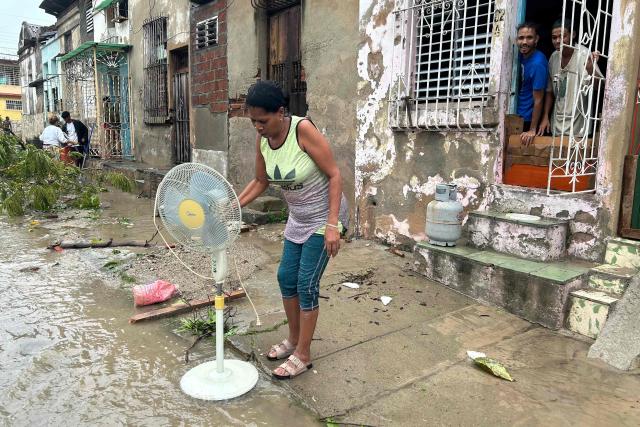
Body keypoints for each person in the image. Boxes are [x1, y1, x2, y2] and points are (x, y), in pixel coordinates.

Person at [238, 80, 349, 380]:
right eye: (253, 121)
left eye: (263, 120)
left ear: (281, 112)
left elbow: (335, 175)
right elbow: (260, 181)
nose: (258, 127)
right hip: (298, 218)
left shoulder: (302, 130)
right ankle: (293, 340)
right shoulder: (262, 141)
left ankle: (303, 354)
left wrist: (332, 226)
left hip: (325, 216)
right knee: (286, 277)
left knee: (305, 284)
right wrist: (233, 205)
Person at [539, 19, 602, 138]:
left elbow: (599, 87)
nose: (558, 41)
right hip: (556, 126)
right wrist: (545, 116)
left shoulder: (583, 54)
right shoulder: (553, 57)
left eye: (563, 36)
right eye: (554, 37)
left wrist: (590, 69)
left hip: (578, 128)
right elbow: (550, 91)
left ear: (573, 35)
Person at [516, 22, 549, 145]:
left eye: (529, 38)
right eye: (521, 38)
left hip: (528, 120)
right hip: (517, 114)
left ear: (536, 39)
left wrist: (532, 129)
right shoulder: (519, 55)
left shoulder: (537, 63)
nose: (524, 42)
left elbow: (539, 99)